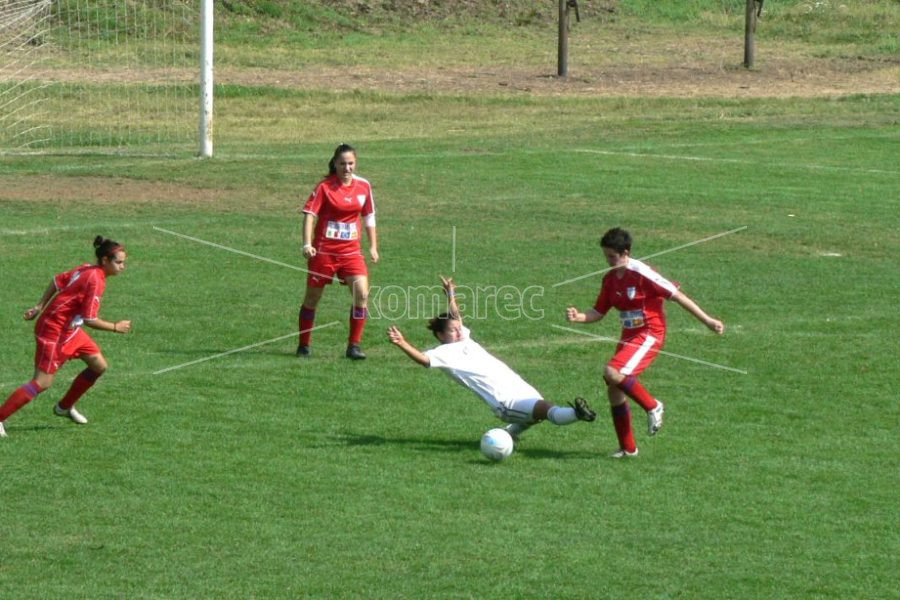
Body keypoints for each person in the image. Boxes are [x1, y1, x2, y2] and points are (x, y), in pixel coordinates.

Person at [565, 227, 724, 458]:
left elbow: (677, 296)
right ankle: (628, 449)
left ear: (626, 252)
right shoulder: (610, 279)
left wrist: (708, 320)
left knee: (612, 372)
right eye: (606, 256)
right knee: (614, 389)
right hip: (628, 336)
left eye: (612, 256)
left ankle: (653, 406)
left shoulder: (642, 273)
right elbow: (598, 311)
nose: (608, 261)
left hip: (650, 332)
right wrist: (578, 316)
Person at [388, 276, 596, 443]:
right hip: (504, 400)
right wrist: (402, 343)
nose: (459, 330)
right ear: (441, 336)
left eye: (459, 327)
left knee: (537, 414)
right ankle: (578, 414)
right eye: (453, 330)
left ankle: (508, 434)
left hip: (516, 386)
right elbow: (424, 360)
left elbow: (456, 316)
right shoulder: (443, 353)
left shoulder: (464, 338)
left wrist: (450, 294)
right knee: (546, 409)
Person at [0, 236, 132, 438]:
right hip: (53, 332)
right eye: (119, 262)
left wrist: (39, 306)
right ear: (105, 260)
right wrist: (115, 327)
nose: (123, 267)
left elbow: (56, 281)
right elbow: (90, 319)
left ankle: (64, 407)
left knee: (99, 365)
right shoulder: (95, 280)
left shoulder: (86, 268)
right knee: (42, 382)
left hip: (70, 331)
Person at [297, 143, 379, 360]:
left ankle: (354, 346)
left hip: (351, 252)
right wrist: (307, 244)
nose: (347, 168)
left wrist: (373, 246)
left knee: (361, 294)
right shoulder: (325, 187)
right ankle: (304, 345)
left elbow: (369, 216)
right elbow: (309, 215)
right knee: (313, 298)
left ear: (356, 163)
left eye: (351, 163)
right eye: (342, 164)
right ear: (335, 164)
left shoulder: (363, 186)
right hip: (324, 253)